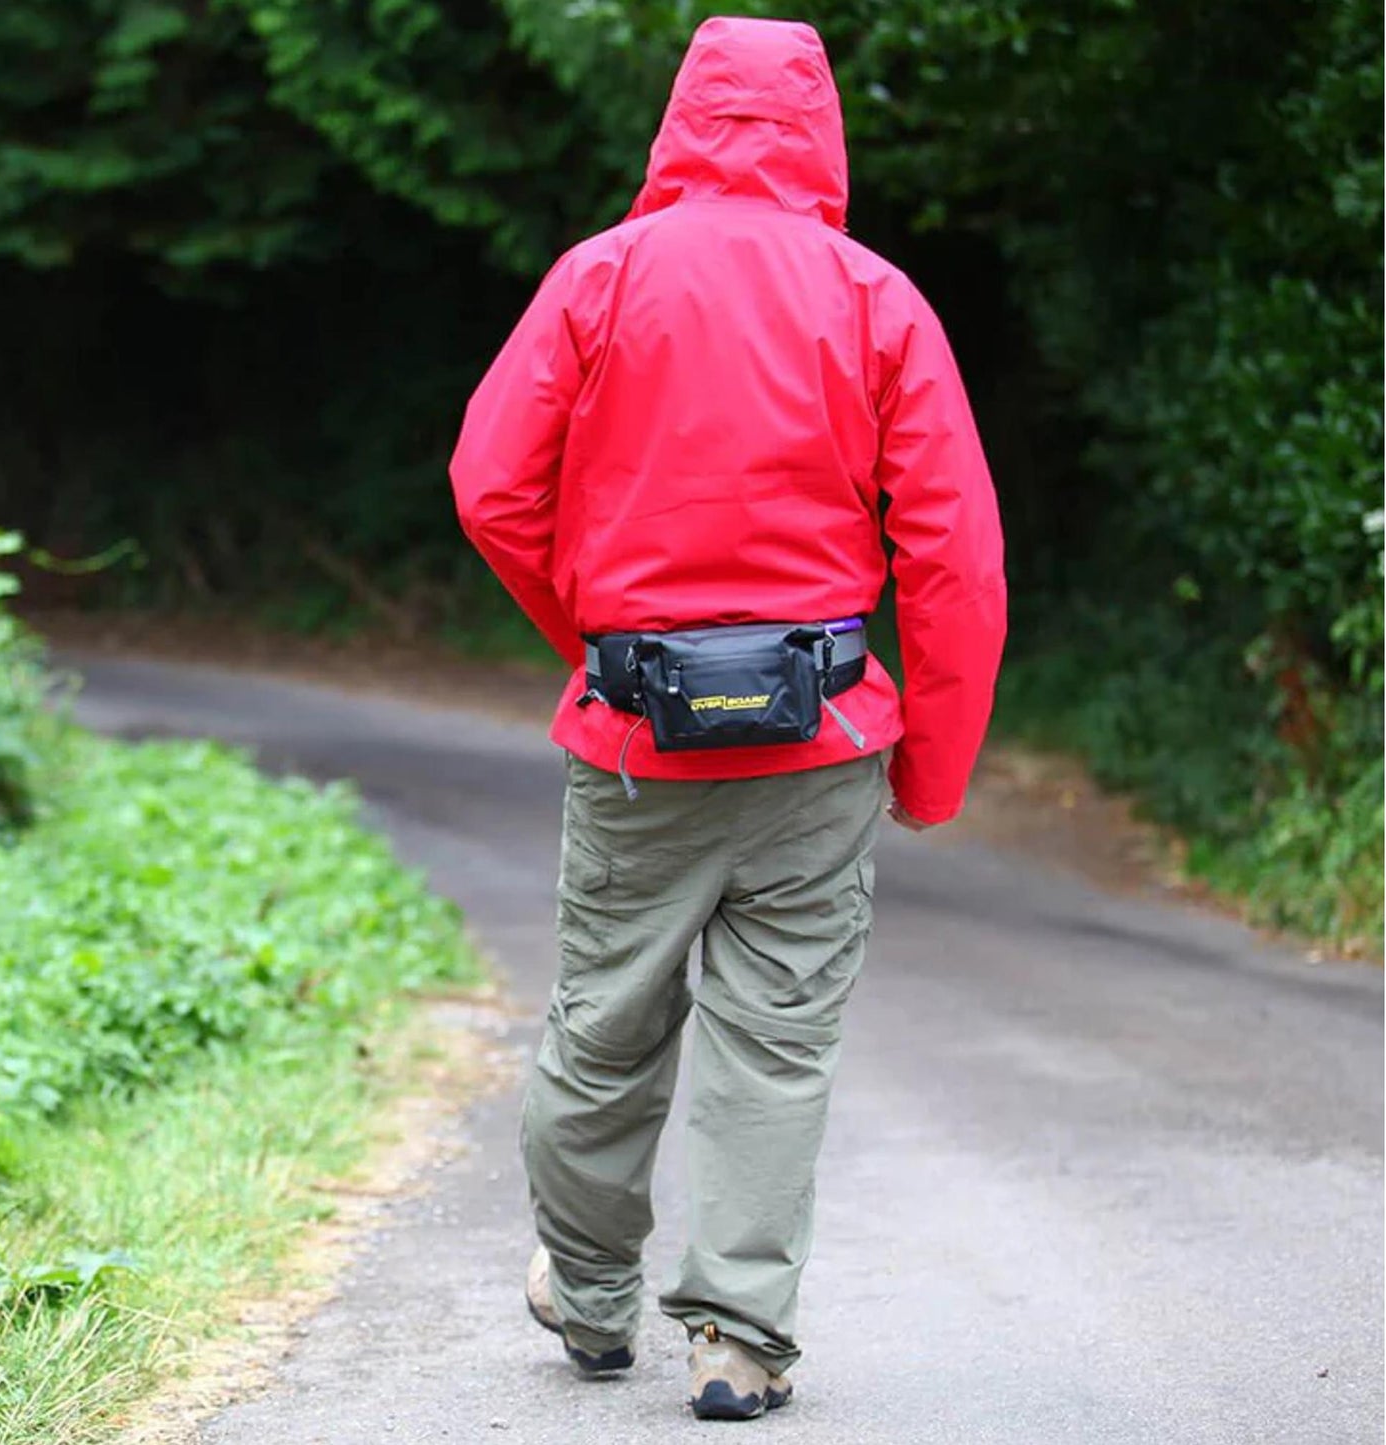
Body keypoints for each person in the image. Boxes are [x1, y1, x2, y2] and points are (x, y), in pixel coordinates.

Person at [450, 15, 1006, 1423]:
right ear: (819, 130)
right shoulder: (873, 296)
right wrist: (929, 770)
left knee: (602, 1026)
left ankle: (584, 1295)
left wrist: (595, 643)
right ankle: (738, 1338)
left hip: (638, 745)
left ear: (680, 121)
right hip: (818, 750)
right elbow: (953, 558)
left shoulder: (598, 279)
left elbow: (488, 484)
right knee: (775, 1044)